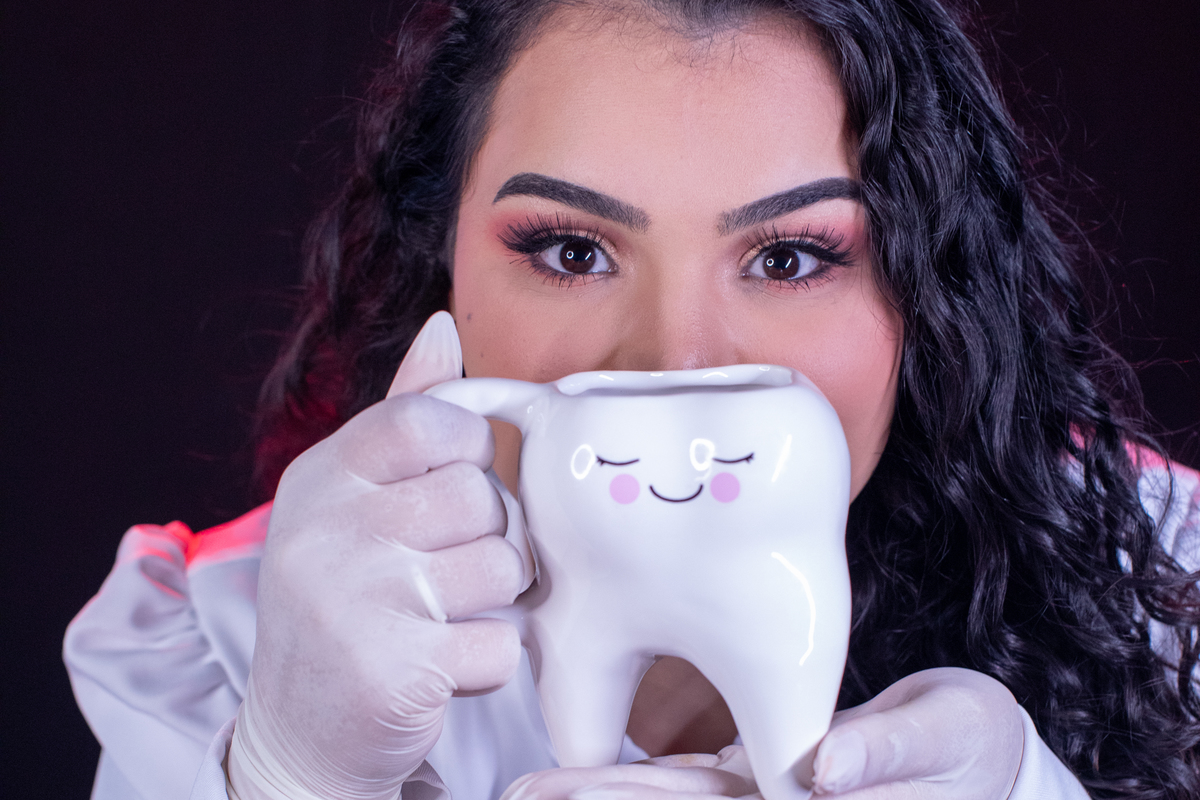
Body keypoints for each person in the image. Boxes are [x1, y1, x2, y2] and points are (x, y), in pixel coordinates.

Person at [64, 0, 1200, 798]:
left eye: (790, 259)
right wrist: (286, 777)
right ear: (441, 262)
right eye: (571, 251)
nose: (674, 367)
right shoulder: (221, 640)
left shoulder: (1170, 581)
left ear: (928, 294)